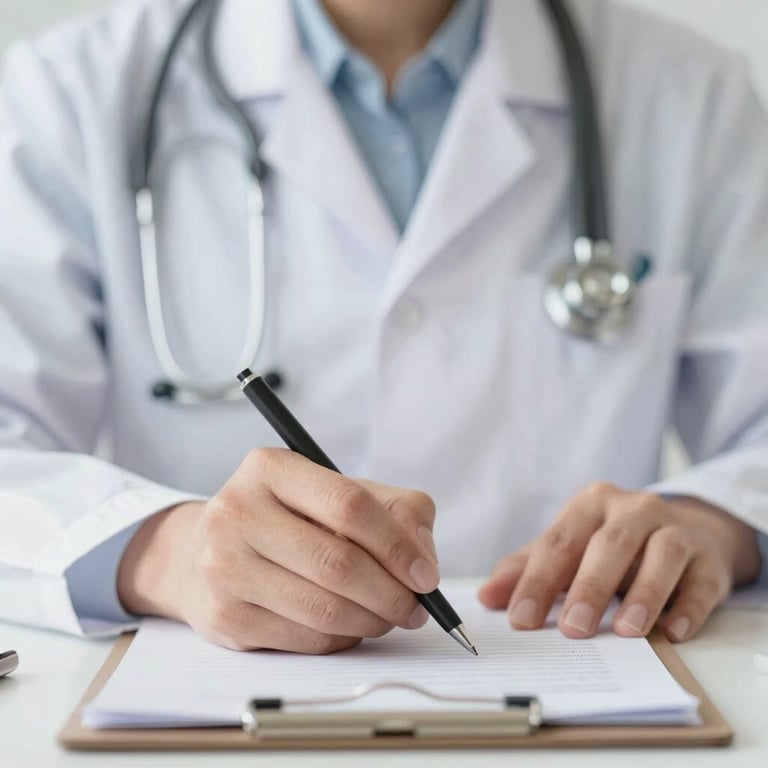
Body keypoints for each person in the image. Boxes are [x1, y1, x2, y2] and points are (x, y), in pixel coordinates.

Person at [0, 0, 766, 654]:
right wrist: (162, 552)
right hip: (219, 709)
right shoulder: (66, 98)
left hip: (584, 687)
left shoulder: (694, 100)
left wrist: (715, 525)